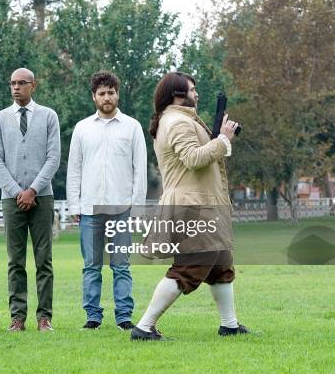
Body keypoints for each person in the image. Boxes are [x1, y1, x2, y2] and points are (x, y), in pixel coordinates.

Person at [130, 71, 249, 341]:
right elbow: (194, 159)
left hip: (202, 203)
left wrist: (220, 139)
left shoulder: (180, 120)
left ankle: (229, 325)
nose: (197, 94)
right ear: (178, 94)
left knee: (221, 266)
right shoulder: (177, 123)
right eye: (192, 89)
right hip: (193, 206)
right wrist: (222, 140)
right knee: (189, 269)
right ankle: (144, 327)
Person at [67, 71, 147, 331]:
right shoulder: (82, 128)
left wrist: (137, 209)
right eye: (101, 93)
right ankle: (92, 317)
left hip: (122, 208)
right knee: (91, 266)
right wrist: (74, 205)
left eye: (111, 92)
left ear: (117, 94)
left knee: (121, 266)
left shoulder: (132, 127)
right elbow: (74, 169)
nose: (106, 97)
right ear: (94, 97)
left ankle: (124, 317)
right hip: (90, 208)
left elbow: (140, 170)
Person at [0, 68, 61, 332]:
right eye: (12, 83)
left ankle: (44, 317)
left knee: (44, 259)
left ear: (34, 85)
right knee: (15, 260)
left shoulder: (48, 116)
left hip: (42, 196)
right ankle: (17, 317)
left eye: (21, 83)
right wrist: (17, 191)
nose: (16, 87)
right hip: (11, 199)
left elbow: (53, 158)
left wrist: (32, 189)